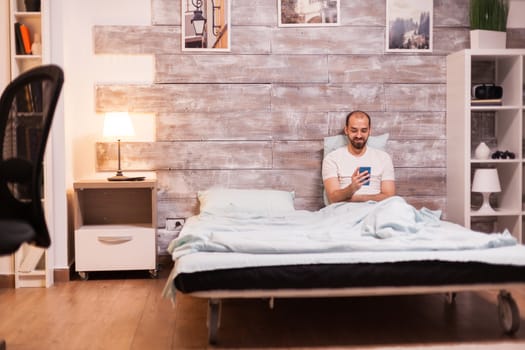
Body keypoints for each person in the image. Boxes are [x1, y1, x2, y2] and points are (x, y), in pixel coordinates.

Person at [322, 110, 396, 204]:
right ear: (346, 130)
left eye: (364, 130)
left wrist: (357, 198)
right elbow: (333, 198)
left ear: (369, 131)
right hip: (345, 210)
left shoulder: (384, 158)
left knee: (399, 203)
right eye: (354, 130)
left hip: (377, 209)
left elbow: (389, 197)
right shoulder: (332, 158)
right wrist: (351, 188)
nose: (359, 135)